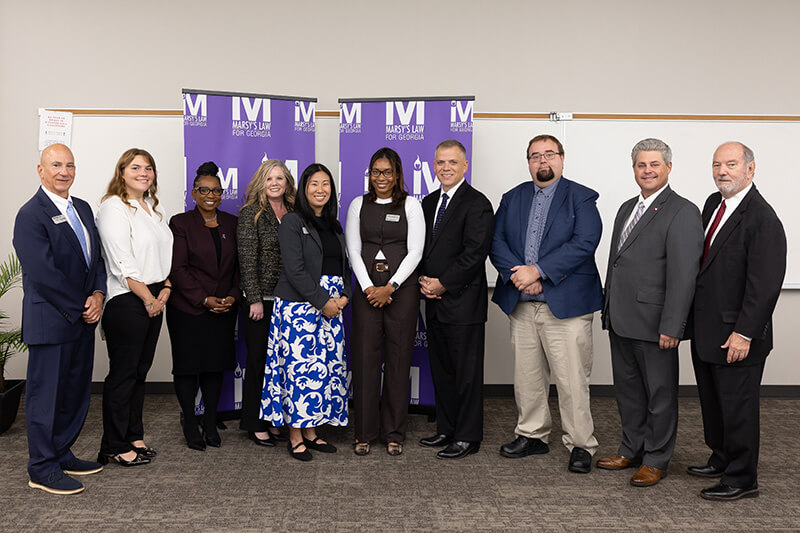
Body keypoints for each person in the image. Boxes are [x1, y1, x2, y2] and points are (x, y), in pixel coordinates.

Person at [490, 134, 603, 473]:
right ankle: (532, 434)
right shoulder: (513, 198)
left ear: (562, 158)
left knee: (571, 379)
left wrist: (538, 271)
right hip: (522, 304)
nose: (543, 161)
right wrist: (519, 276)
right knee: (527, 377)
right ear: (528, 162)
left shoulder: (581, 197)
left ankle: (581, 444)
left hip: (565, 304)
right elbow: (497, 242)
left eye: (549, 154)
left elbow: (585, 243)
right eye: (535, 156)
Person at [597, 138, 703, 486]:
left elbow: (684, 275)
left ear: (668, 168)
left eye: (655, 164)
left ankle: (656, 458)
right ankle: (631, 449)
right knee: (628, 393)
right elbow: (618, 263)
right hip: (622, 319)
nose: (648, 171)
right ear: (633, 170)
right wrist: (607, 307)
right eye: (641, 165)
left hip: (657, 323)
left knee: (659, 395)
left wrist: (673, 325)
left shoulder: (683, 211)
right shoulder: (627, 207)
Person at [688, 142, 786, 501]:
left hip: (737, 334)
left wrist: (744, 333)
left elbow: (765, 285)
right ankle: (722, 458)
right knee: (714, 404)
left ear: (751, 168)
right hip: (707, 329)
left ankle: (743, 478)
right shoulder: (714, 205)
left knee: (738, 408)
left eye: (731, 164)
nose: (722, 172)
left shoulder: (762, 217)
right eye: (717, 165)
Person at [13, 144, 107, 495]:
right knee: (46, 397)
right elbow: (43, 273)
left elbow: (96, 259)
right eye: (55, 165)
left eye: (69, 165)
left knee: (73, 392)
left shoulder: (81, 208)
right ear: (41, 170)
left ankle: (61, 453)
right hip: (52, 320)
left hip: (82, 318)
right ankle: (41, 467)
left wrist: (98, 295)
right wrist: (82, 304)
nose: (63, 171)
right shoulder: (30, 214)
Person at [260, 163, 351, 461]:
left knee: (323, 372)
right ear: (303, 188)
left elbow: (343, 265)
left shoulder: (335, 225)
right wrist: (323, 300)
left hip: (332, 308)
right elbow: (295, 270)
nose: (320, 189)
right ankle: (295, 436)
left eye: (326, 184)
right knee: (300, 374)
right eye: (314, 184)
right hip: (300, 308)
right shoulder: (292, 221)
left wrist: (345, 297)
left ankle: (312, 432)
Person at [95, 148, 173, 467]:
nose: (144, 172)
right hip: (128, 297)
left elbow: (164, 257)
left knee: (140, 372)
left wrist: (165, 289)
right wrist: (148, 298)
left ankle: (133, 435)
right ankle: (113, 445)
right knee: (123, 373)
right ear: (122, 172)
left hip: (156, 294)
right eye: (136, 167)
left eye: (149, 168)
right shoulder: (113, 207)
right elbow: (122, 262)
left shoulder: (155, 207)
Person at [345, 147, 425, 456]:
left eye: (387, 172)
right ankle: (364, 432)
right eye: (376, 172)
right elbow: (354, 250)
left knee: (398, 361)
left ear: (397, 175)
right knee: (364, 361)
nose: (381, 178)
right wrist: (368, 288)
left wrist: (390, 286)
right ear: (370, 174)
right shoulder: (357, 205)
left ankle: (394, 433)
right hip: (366, 292)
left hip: (401, 292)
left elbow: (415, 251)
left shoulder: (411, 205)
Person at [418, 139, 494, 459]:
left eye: (452, 163)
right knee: (443, 371)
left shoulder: (477, 203)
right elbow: (422, 248)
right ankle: (446, 429)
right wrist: (425, 281)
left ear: (465, 166)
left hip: (462, 302)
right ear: (434, 166)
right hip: (432, 302)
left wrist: (443, 284)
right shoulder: (428, 201)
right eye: (440, 163)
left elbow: (475, 253)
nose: (445, 168)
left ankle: (467, 436)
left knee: (466, 374)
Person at [167, 161, 240, 450]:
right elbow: (178, 268)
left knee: (214, 367)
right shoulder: (181, 223)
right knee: (188, 368)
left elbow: (238, 267)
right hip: (189, 309)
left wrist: (233, 295)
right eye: (204, 190)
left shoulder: (232, 223)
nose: (211, 195)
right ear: (194, 193)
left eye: (216, 190)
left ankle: (210, 420)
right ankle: (189, 420)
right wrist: (203, 298)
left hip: (224, 307)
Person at [237, 159, 295, 447]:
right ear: (261, 181)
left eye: (280, 178)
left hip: (291, 300)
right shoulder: (251, 214)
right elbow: (247, 260)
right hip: (262, 301)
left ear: (287, 183)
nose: (274, 183)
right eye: (269, 178)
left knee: (281, 365)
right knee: (259, 361)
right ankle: (253, 422)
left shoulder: (295, 213)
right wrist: (254, 299)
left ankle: (273, 420)